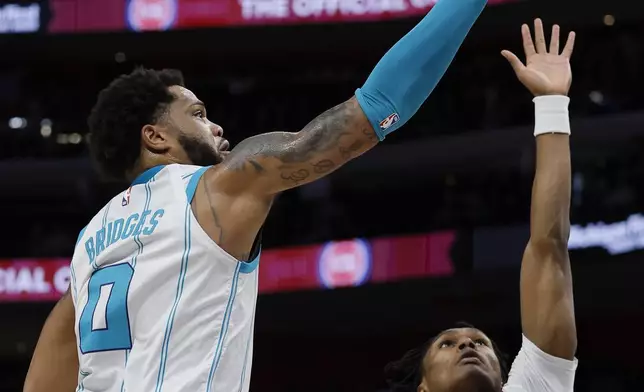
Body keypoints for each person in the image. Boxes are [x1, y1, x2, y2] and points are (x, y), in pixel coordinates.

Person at [23, 1, 490, 391]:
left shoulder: (90, 243)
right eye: (199, 114)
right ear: (156, 137)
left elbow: (50, 365)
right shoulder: (217, 186)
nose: (217, 125)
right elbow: (374, 110)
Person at [383, 19, 577, 392]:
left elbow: (549, 245)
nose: (468, 344)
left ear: (505, 378)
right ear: (421, 388)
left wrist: (552, 102)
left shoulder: (535, 384)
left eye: (479, 342)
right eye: (448, 344)